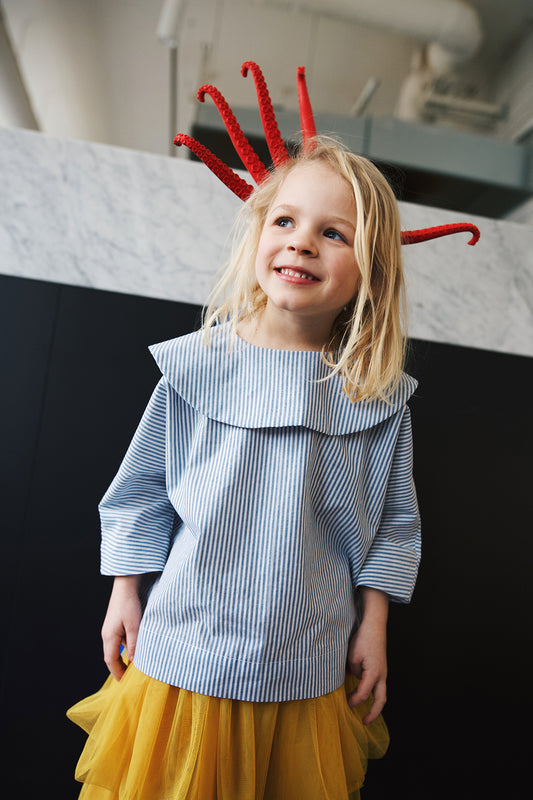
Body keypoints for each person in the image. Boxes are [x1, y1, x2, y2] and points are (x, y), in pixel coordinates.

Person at [69, 62, 479, 800]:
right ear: (258, 233)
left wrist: (375, 624)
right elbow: (139, 495)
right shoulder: (195, 368)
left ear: (370, 272)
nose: (301, 243)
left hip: (307, 669)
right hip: (181, 658)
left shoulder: (375, 397)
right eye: (285, 221)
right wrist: (124, 590)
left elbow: (394, 525)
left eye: (333, 233)